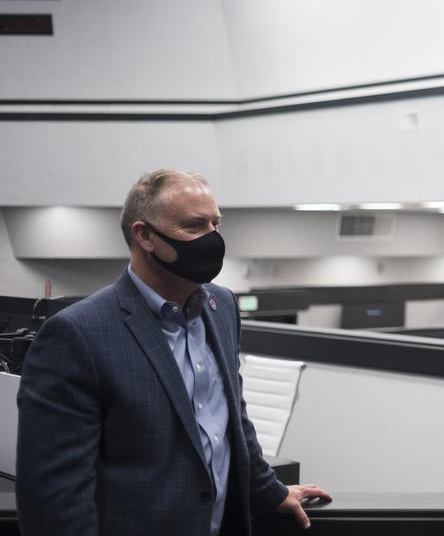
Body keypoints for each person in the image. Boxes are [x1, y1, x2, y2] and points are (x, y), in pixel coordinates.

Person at [17, 169, 332, 536]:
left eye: (216, 223)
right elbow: (54, 498)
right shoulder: (77, 334)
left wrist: (269, 489)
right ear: (144, 235)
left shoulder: (223, 305)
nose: (213, 238)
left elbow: (231, 416)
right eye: (195, 226)